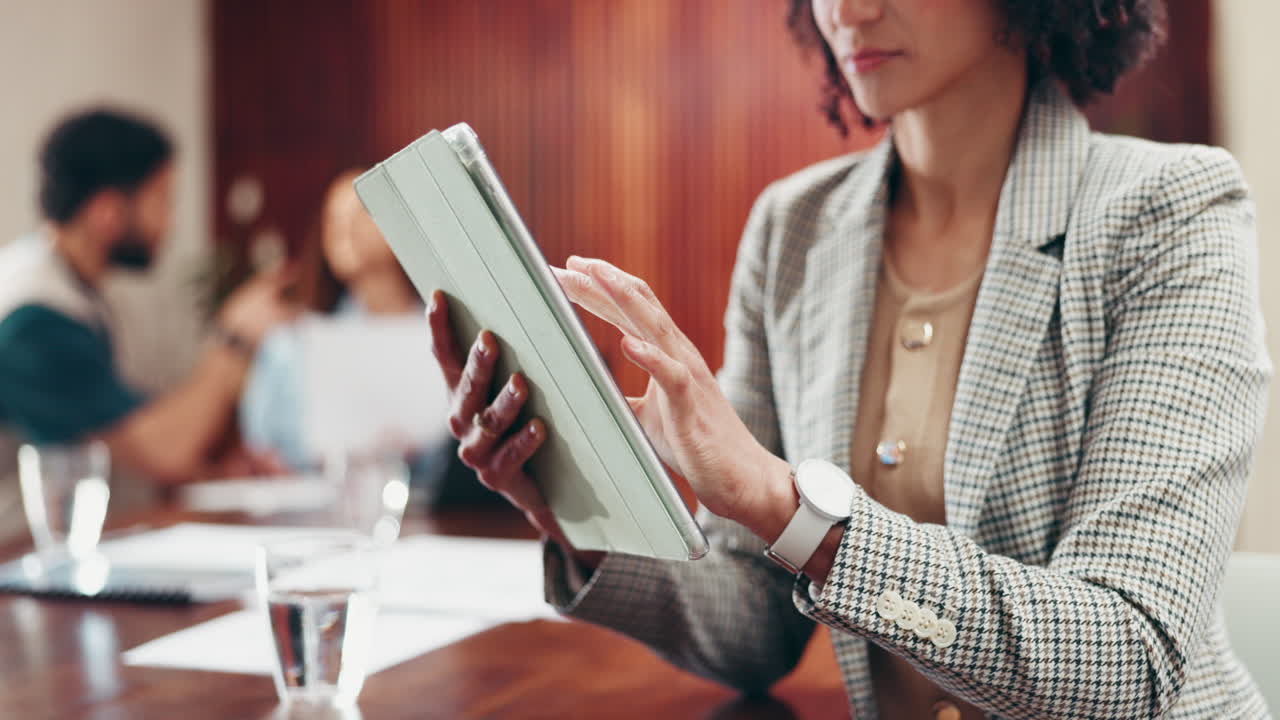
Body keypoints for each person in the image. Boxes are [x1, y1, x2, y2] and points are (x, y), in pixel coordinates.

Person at [428, 0, 1270, 718]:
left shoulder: (1170, 211)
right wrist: (572, 507)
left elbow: (1128, 658)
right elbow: (752, 626)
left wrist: (786, 505)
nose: (847, 10)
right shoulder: (793, 227)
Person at [0, 109, 298, 538]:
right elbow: (160, 450)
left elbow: (125, 428)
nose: (170, 222)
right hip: (19, 557)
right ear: (107, 212)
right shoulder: (32, 320)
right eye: (162, 200)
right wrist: (236, 337)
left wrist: (217, 471)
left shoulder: (78, 290)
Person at [240, 171, 479, 504]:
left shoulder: (456, 337)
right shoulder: (288, 347)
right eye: (333, 218)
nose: (344, 226)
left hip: (436, 511)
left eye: (362, 211)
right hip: (314, 513)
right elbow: (262, 447)